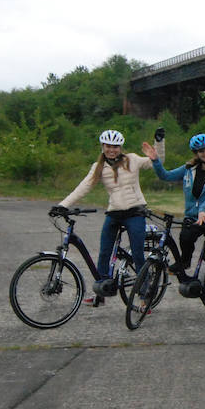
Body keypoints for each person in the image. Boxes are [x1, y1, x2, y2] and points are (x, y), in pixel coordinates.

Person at [52, 128, 158, 306]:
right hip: (115, 212)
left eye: (115, 146)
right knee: (104, 252)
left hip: (135, 212)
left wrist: (158, 145)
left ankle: (144, 294)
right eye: (108, 146)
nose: (112, 149)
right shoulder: (99, 167)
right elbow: (83, 187)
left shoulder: (131, 159)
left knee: (138, 253)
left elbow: (154, 162)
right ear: (103, 146)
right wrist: (63, 205)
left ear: (120, 147)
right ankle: (102, 292)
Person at [143, 132, 205, 294]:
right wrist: (155, 160)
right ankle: (186, 261)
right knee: (185, 237)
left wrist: (203, 209)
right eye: (200, 151)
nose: (204, 153)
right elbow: (166, 176)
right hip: (193, 217)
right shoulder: (189, 169)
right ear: (195, 153)